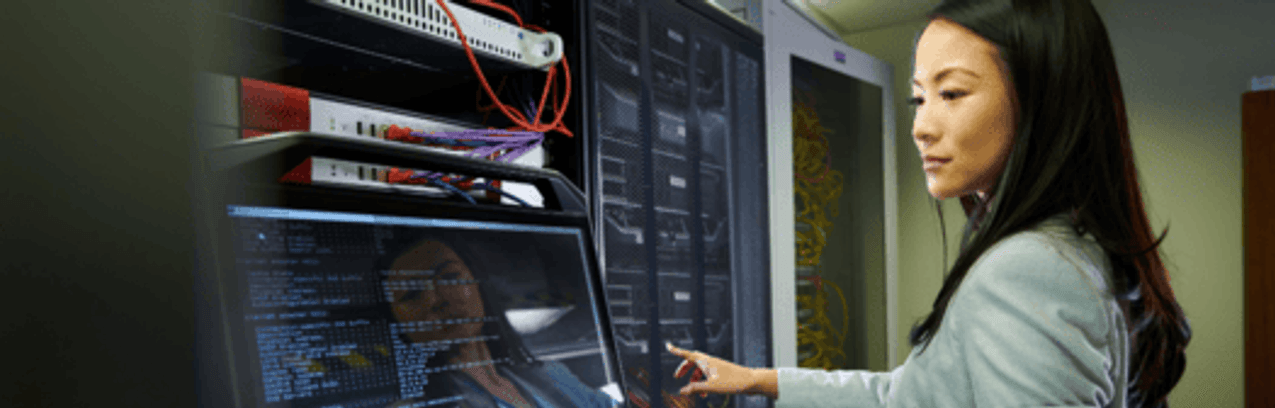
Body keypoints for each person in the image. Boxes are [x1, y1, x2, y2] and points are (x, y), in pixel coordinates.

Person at [666, 0, 1192, 407]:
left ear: (1040, 100)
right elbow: (908, 394)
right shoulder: (1065, 246)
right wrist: (761, 380)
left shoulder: (1025, 268)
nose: (921, 126)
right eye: (920, 97)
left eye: (953, 94)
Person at [380, 235, 616, 408]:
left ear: (478, 285)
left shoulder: (550, 373)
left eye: (449, 277)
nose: (435, 300)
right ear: (398, 323)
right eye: (411, 294)